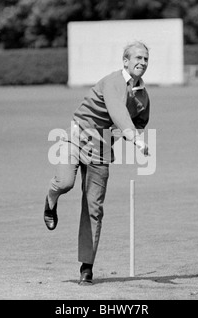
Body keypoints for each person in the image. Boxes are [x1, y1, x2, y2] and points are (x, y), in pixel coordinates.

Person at [44, 41, 151, 285]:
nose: (142, 63)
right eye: (137, 58)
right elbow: (119, 113)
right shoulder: (113, 82)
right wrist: (134, 139)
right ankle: (51, 199)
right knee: (65, 182)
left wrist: (124, 134)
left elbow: (140, 119)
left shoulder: (143, 95)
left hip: (101, 148)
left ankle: (86, 267)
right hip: (77, 135)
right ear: (125, 61)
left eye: (145, 59)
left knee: (94, 207)